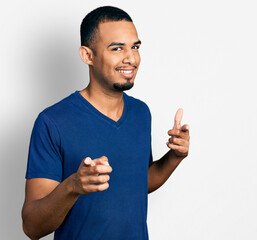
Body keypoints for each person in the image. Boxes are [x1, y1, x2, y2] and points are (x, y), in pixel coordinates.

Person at [22, 6, 190, 240]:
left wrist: (175, 156)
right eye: (117, 48)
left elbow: (137, 183)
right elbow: (32, 227)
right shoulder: (52, 122)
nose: (131, 58)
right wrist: (73, 186)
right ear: (87, 55)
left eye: (135, 47)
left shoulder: (141, 113)